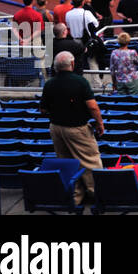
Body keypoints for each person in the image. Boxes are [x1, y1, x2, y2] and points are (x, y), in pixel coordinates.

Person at [40, 51, 105, 205]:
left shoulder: (49, 83)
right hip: (78, 128)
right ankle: (98, 194)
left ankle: (75, 196)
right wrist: (100, 124)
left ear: (56, 67)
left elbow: (43, 109)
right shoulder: (80, 82)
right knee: (91, 162)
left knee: (66, 162)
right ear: (73, 64)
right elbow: (93, 107)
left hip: (56, 128)